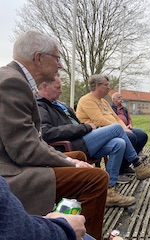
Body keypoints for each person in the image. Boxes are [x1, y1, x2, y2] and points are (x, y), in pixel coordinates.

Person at [0, 30, 108, 240]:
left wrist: (71, 160)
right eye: (57, 58)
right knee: (96, 178)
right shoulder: (11, 83)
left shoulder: (15, 79)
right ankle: (81, 234)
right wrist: (70, 163)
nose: (60, 65)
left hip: (15, 162)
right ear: (39, 58)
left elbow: (29, 140)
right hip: (10, 173)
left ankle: (66, 215)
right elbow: (24, 149)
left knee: (79, 158)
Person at [37, 74, 150, 207]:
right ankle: (139, 165)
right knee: (116, 129)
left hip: (83, 138)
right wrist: (84, 128)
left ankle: (110, 191)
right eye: (58, 87)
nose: (61, 91)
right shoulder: (41, 106)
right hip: (73, 145)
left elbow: (79, 123)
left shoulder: (59, 105)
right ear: (45, 86)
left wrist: (85, 128)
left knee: (118, 143)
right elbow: (46, 133)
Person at [76, 75, 150, 175]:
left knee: (141, 135)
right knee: (131, 137)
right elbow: (99, 120)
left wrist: (124, 127)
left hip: (115, 129)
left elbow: (116, 118)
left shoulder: (104, 101)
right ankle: (124, 169)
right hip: (99, 133)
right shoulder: (87, 100)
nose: (108, 87)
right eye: (106, 85)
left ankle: (124, 167)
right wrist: (120, 129)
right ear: (97, 85)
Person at [0, 176, 86, 240]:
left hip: (29, 167)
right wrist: (64, 229)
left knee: (79, 155)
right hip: (19, 174)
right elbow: (16, 231)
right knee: (96, 178)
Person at [111, 91, 149, 175]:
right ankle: (120, 168)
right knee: (132, 137)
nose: (121, 99)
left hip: (126, 127)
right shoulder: (110, 108)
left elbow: (129, 118)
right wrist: (123, 128)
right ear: (113, 99)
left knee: (142, 135)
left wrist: (129, 125)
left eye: (121, 97)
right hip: (117, 129)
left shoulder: (124, 109)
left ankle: (126, 165)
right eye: (119, 98)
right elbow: (112, 120)